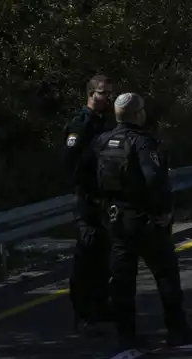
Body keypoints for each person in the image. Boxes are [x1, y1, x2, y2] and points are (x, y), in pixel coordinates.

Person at [94, 92, 192, 351]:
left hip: (115, 219)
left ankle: (127, 338)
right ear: (137, 114)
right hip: (144, 219)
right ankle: (177, 331)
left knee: (122, 281)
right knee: (166, 275)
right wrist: (163, 211)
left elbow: (89, 178)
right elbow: (153, 179)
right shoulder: (142, 142)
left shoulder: (101, 141)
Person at [63, 74, 116, 332]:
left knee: (103, 257)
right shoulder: (81, 124)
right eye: (103, 93)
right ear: (91, 94)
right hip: (86, 199)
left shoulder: (105, 123)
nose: (107, 98)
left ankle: (100, 307)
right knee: (86, 256)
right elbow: (70, 161)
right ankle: (82, 314)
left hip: (104, 200)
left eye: (109, 94)